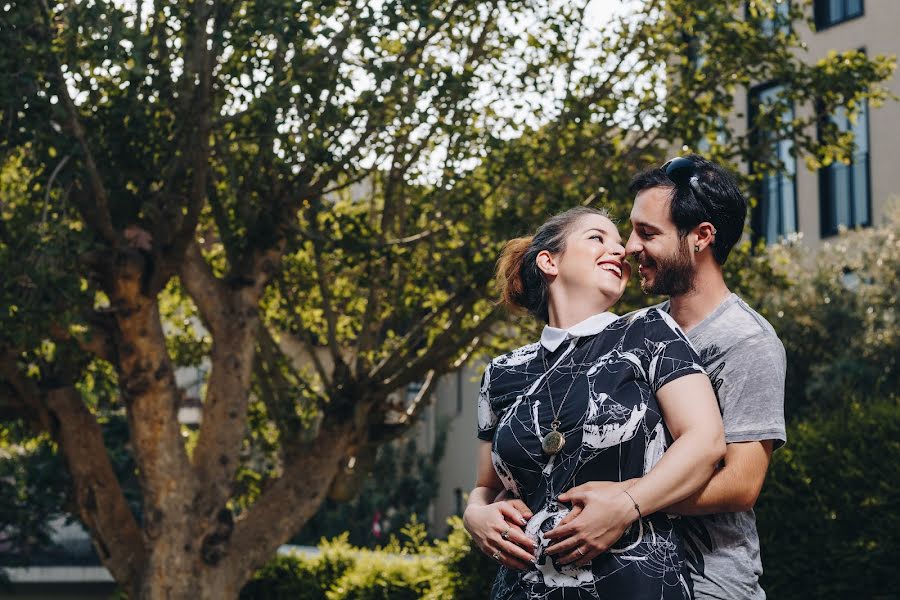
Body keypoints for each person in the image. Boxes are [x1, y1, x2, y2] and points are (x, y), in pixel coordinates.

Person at [552, 156, 787, 599]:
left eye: (647, 233)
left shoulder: (747, 342)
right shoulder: (636, 330)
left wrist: (624, 502)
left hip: (709, 586)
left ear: (701, 236)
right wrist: (483, 507)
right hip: (626, 579)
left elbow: (740, 484)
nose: (628, 248)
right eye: (631, 231)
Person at [463, 206, 726, 599]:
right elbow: (486, 486)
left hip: (635, 584)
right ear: (549, 262)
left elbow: (705, 441)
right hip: (522, 588)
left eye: (620, 245)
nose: (619, 251)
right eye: (597, 238)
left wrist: (627, 505)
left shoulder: (649, 331)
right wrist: (474, 515)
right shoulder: (501, 372)